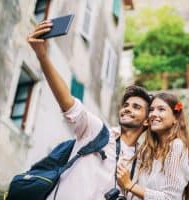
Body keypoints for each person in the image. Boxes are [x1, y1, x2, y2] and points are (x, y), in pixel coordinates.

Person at [27, 20, 151, 200]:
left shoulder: (141, 164)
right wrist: (43, 57)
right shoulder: (96, 132)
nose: (127, 109)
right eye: (125, 105)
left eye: (136, 107)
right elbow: (68, 102)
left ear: (147, 120)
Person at [117, 93, 189, 200]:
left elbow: (170, 198)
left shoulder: (176, 146)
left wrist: (129, 185)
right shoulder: (147, 151)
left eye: (161, 109)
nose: (153, 114)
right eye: (151, 110)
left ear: (176, 118)